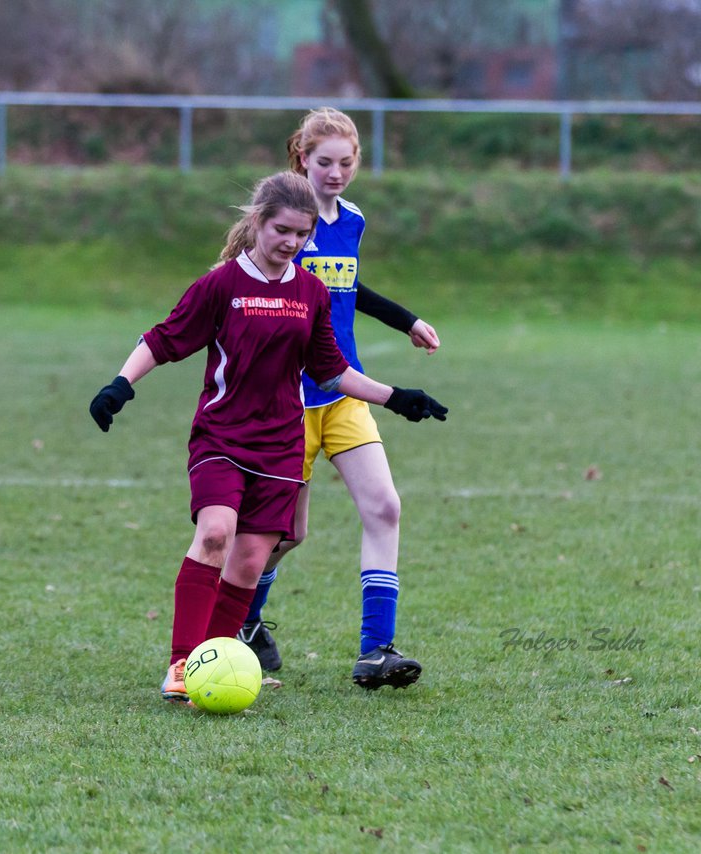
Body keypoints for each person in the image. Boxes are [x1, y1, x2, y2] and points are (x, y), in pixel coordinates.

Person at [88, 171, 447, 704]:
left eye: (301, 235)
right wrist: (121, 384)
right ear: (257, 221)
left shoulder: (310, 292)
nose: (291, 243)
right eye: (282, 230)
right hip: (223, 435)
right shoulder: (222, 285)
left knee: (253, 559)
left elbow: (330, 369)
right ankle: (181, 664)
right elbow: (165, 338)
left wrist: (395, 396)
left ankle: (214, 660)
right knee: (215, 534)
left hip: (281, 442)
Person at [236, 107, 442, 691]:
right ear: (301, 158)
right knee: (280, 535)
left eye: (346, 162)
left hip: (345, 395)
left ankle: (377, 649)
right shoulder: (284, 225)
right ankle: (245, 620)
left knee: (385, 507)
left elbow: (347, 285)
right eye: (324, 161)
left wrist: (408, 320)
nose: (335, 172)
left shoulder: (351, 220)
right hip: (286, 402)